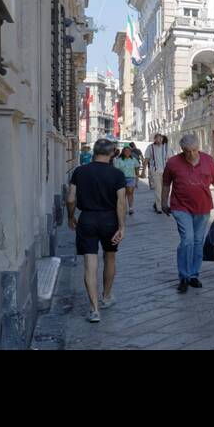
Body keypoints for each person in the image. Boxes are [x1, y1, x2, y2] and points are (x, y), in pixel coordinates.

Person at [66, 138, 126, 322]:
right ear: (111, 153)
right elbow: (121, 203)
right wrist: (122, 226)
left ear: (94, 152)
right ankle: (106, 297)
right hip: (109, 220)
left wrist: (71, 216)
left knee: (89, 264)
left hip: (87, 219)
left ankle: (94, 310)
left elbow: (70, 199)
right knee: (109, 257)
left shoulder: (79, 171)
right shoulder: (117, 174)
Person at [161, 132, 214, 293]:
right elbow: (165, 184)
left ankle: (193, 275)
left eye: (194, 150)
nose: (191, 154)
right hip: (180, 207)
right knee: (187, 240)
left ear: (199, 148)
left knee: (198, 241)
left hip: (203, 207)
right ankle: (183, 276)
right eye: (187, 151)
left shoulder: (208, 161)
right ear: (182, 150)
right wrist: (163, 202)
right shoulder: (173, 163)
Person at [145, 133, 169, 213]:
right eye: (157, 138)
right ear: (154, 139)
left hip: (166, 171)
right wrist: (143, 171)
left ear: (162, 139)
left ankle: (163, 204)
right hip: (155, 171)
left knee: (165, 189)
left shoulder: (166, 147)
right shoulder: (150, 147)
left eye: (160, 138)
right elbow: (147, 159)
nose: (159, 140)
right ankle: (159, 207)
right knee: (158, 189)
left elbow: (170, 159)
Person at [114, 145, 140, 214]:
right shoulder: (119, 160)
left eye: (129, 151)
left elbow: (137, 169)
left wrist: (137, 179)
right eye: (126, 151)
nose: (127, 152)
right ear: (123, 152)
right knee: (122, 194)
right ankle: (123, 208)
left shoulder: (134, 160)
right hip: (121, 179)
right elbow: (116, 171)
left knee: (130, 193)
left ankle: (131, 208)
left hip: (131, 178)